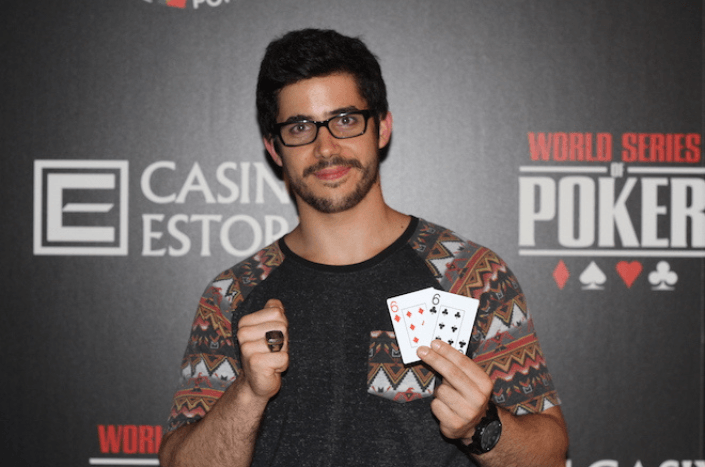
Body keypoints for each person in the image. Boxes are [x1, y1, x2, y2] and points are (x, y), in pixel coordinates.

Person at [159, 28, 569, 467]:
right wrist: (248, 392)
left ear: (382, 127)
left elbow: (549, 451)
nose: (326, 147)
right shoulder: (233, 296)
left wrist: (482, 428)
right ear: (274, 149)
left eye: (345, 120)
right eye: (300, 127)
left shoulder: (469, 274)